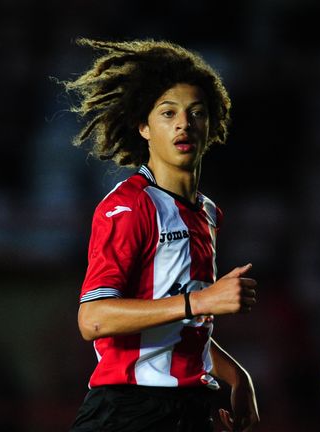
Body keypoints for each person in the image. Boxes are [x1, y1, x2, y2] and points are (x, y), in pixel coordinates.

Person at [61, 39, 260, 432]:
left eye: (196, 113)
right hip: (129, 411)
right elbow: (93, 319)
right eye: (168, 113)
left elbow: (179, 325)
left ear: (211, 124)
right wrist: (202, 300)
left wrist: (237, 377)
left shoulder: (207, 213)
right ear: (144, 127)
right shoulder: (129, 206)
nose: (184, 123)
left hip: (190, 409)